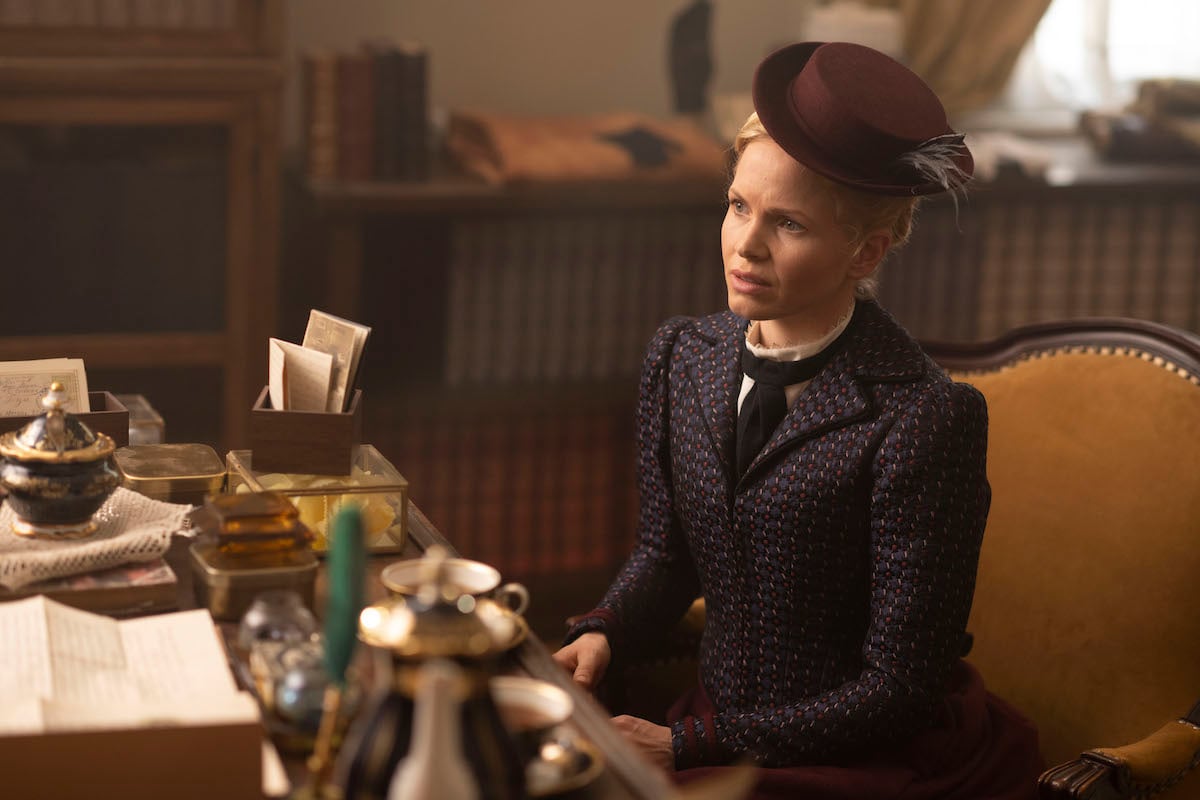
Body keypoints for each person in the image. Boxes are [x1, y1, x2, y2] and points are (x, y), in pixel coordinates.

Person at [552, 41, 1043, 799]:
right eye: (739, 205)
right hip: (720, 725)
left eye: (789, 224)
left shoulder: (926, 417)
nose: (745, 245)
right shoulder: (683, 355)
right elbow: (666, 553)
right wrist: (606, 630)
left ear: (864, 249)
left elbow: (900, 688)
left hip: (863, 759)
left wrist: (689, 743)